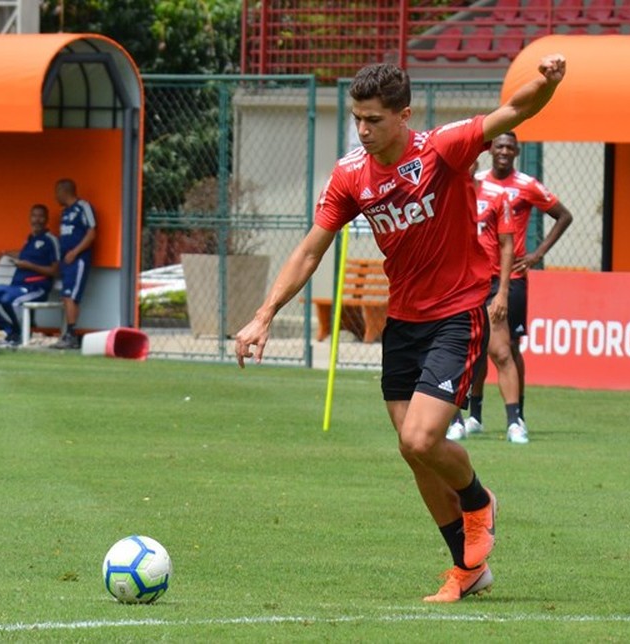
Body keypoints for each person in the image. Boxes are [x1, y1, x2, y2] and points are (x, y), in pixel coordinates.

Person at [234, 54, 566, 602]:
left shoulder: (442, 148)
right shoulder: (349, 176)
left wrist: (546, 83)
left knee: (421, 436)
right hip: (403, 323)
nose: (363, 130)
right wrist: (263, 313)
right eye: (357, 119)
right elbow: (310, 250)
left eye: (375, 120)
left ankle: (480, 502)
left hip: (456, 314)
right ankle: (468, 569)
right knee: (413, 452)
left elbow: (511, 111)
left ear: (403, 115)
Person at [461, 132, 574, 442]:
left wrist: (537, 254)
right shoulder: (476, 183)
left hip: (510, 279)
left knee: (508, 347)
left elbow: (564, 216)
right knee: (479, 348)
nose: (504, 151)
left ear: (517, 152)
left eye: (510, 147)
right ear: (490, 151)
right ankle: (475, 416)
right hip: (475, 278)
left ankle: (517, 416)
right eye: (499, 146)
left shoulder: (526, 185)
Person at [445, 179, 523, 444]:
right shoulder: (440, 192)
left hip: (488, 284)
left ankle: (514, 422)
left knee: (501, 351)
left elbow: (507, 245)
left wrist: (502, 291)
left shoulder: (496, 195)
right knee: (455, 355)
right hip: (455, 284)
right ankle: (456, 421)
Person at [0, 204, 60, 347]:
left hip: (36, 288)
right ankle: (10, 330)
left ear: (46, 219)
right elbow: (24, 255)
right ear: (29, 218)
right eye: (34, 216)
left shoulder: (50, 240)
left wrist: (30, 266)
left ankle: (20, 335)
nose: (37, 220)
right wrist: (3, 252)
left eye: (41, 216)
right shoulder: (30, 239)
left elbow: (55, 271)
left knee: (10, 300)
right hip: (17, 286)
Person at [51, 178, 97, 350]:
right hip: (66, 260)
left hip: (78, 260)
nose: (55, 196)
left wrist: (75, 252)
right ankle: (69, 333)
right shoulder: (65, 212)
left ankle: (71, 334)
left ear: (64, 191)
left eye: (56, 192)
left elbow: (92, 233)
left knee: (70, 296)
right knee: (67, 296)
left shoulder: (83, 207)